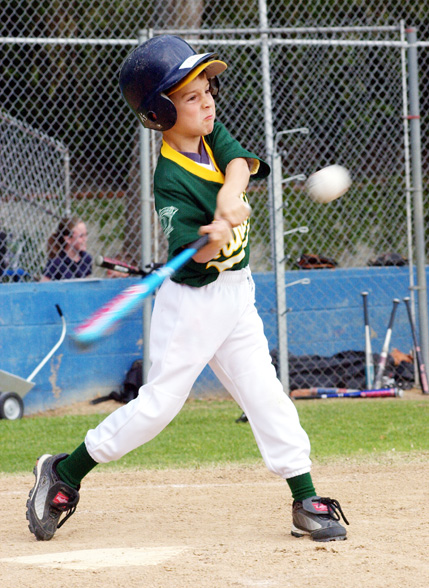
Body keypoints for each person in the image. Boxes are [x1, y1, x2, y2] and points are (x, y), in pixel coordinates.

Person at [26, 35, 348, 543]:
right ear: (160, 112)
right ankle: (64, 473)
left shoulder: (210, 136)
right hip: (194, 304)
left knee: (265, 394)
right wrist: (210, 237)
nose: (207, 102)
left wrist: (229, 198)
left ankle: (304, 497)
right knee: (158, 407)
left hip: (237, 295)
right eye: (192, 96)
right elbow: (193, 254)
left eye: (207, 91)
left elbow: (238, 163)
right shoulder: (169, 180)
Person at [41, 216, 92, 281]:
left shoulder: (86, 258)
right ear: (68, 239)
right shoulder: (56, 262)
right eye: (81, 236)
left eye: (86, 235)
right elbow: (44, 284)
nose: (85, 239)